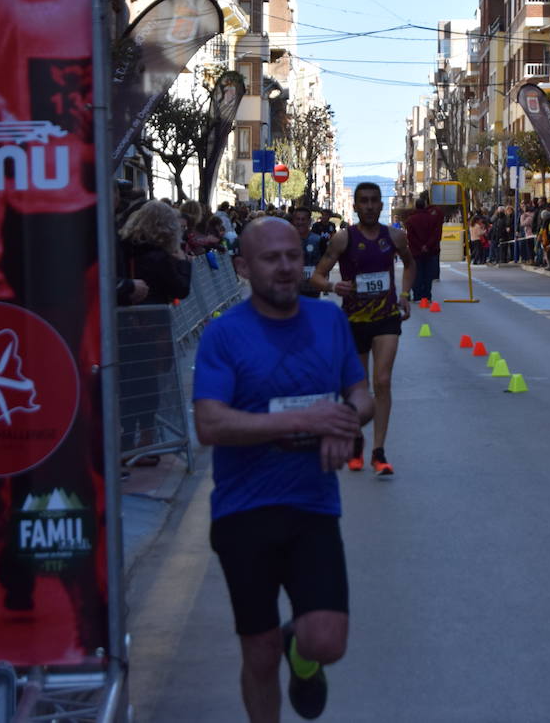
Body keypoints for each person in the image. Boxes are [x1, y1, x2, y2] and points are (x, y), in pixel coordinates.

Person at [193, 217, 374, 722]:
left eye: (293, 255)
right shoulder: (224, 336)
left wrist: (344, 420)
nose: (285, 267)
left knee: (328, 641)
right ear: (243, 267)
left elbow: (361, 395)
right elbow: (209, 423)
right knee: (258, 652)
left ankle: (303, 652)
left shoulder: (329, 322)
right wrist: (304, 419)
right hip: (243, 512)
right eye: (271, 258)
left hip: (311, 505)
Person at [311, 183, 414, 477]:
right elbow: (317, 276)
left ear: (381, 205)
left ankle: (379, 451)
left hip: (386, 318)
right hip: (354, 321)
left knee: (382, 381)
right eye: (363, 202)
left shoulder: (394, 236)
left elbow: (410, 265)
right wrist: (333, 285)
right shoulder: (343, 239)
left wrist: (405, 295)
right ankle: (356, 440)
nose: (369, 206)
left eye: (374, 201)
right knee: (359, 388)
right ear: (355, 207)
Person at [402, 193, 445, 302]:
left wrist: (420, 246)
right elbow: (435, 234)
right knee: (428, 274)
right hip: (429, 251)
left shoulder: (410, 220)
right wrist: (427, 246)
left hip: (416, 252)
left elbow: (410, 237)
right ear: (425, 206)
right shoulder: (432, 218)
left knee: (417, 274)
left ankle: (417, 295)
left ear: (416, 206)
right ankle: (427, 296)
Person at [289, 206, 328, 299]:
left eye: (303, 219)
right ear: (293, 221)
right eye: (297, 219)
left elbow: (325, 262)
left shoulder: (318, 240)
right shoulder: (286, 240)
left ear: (309, 221)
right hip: (291, 288)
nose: (300, 222)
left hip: (312, 289)